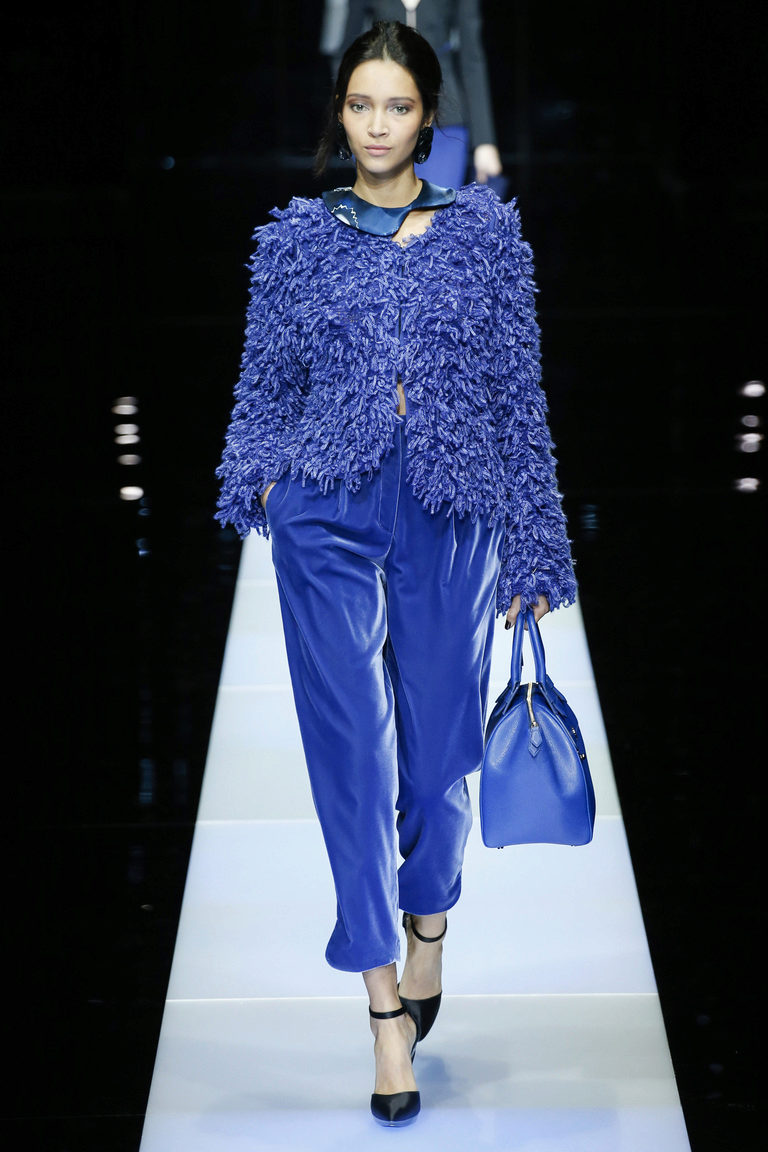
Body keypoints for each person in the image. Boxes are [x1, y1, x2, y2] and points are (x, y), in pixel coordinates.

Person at [215, 19, 576, 1128]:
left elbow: (518, 399)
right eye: (361, 105)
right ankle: (381, 1011)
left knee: (439, 754)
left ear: (430, 117)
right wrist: (263, 484)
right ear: (341, 113)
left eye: (399, 107)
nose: (377, 126)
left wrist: (536, 542)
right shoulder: (296, 241)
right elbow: (262, 389)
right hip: (326, 506)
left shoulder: (485, 239)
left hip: (449, 510)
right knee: (353, 757)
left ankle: (429, 922)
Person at [338, 0, 503, 189]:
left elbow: (472, 60)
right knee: (386, 203)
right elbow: (346, 55)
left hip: (444, 120)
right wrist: (351, 118)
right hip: (383, 121)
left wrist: (484, 141)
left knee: (438, 204)